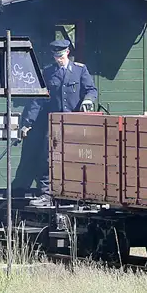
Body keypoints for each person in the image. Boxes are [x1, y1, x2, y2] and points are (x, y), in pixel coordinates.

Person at [21, 39, 98, 207]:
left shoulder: (80, 70)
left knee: (78, 158)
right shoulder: (48, 73)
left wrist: (88, 100)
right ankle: (46, 194)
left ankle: (79, 193)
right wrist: (28, 123)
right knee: (47, 158)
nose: (59, 59)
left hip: (74, 123)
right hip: (54, 124)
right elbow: (38, 101)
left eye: (61, 56)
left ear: (67, 53)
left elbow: (91, 90)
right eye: (56, 56)